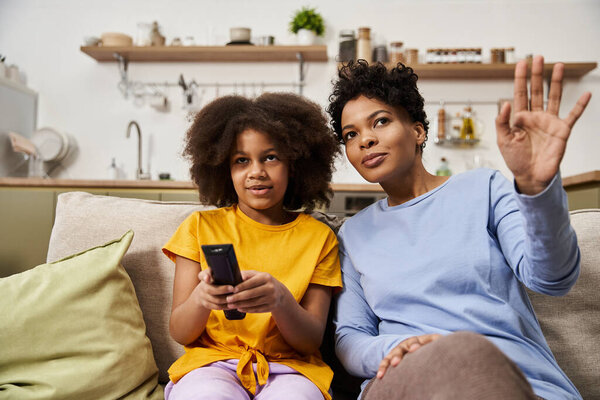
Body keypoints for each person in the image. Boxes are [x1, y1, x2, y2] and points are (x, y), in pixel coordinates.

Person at [327, 57, 591, 400]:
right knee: (461, 352)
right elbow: (349, 339)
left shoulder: (485, 188)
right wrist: (405, 347)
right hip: (403, 377)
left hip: (518, 381)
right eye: (351, 134)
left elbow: (552, 278)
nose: (365, 139)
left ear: (418, 130)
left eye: (380, 121)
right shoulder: (354, 234)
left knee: (469, 354)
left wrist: (536, 190)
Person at [162, 92, 342, 400]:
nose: (256, 171)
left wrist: (280, 300)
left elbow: (310, 340)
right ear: (223, 169)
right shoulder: (200, 227)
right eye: (241, 160)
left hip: (291, 369)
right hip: (212, 365)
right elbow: (180, 332)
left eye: (270, 157)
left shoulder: (319, 238)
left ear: (295, 165)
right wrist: (202, 298)